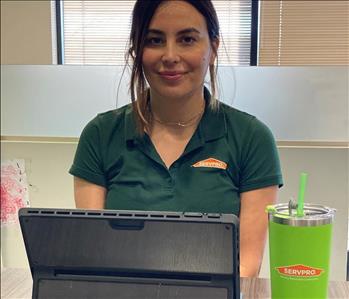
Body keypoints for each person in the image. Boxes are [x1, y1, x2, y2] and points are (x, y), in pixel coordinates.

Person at [69, 0, 283, 278]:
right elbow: (94, 257)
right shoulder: (100, 134)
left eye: (187, 39)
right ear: (137, 50)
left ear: (213, 48)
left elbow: (246, 268)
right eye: (155, 40)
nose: (170, 55)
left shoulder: (252, 138)